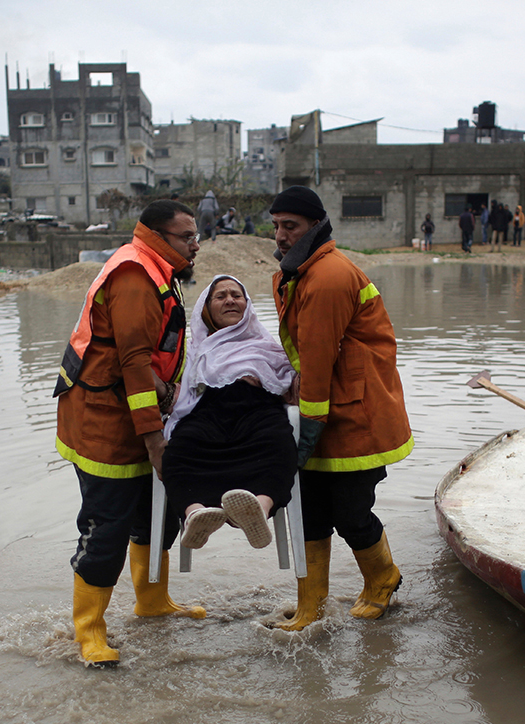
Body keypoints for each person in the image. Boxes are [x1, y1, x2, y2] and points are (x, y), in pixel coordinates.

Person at [52, 199, 205, 667]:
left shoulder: (160, 271)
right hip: (105, 423)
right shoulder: (136, 275)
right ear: (158, 236)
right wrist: (155, 439)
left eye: (196, 236)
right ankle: (90, 633)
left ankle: (152, 601)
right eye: (187, 237)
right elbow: (134, 363)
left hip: (135, 416)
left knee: (155, 517)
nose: (196, 244)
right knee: (107, 528)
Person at [267, 186, 414, 631]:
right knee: (310, 511)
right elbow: (303, 357)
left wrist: (307, 428)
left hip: (356, 417)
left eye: (289, 226)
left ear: (314, 225)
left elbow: (317, 356)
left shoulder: (328, 276)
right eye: (275, 227)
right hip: (325, 411)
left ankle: (383, 579)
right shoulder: (299, 274)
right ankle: (311, 605)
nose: (280, 236)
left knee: (351, 513)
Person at [162, 276, 297, 550]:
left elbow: (289, 383)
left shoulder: (267, 345)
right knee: (178, 451)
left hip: (258, 413)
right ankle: (196, 514)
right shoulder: (194, 349)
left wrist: (266, 378)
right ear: (207, 309)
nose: (230, 300)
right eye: (220, 296)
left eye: (236, 295)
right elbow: (182, 387)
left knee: (280, 444)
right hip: (207, 415)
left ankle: (258, 509)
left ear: (247, 305)